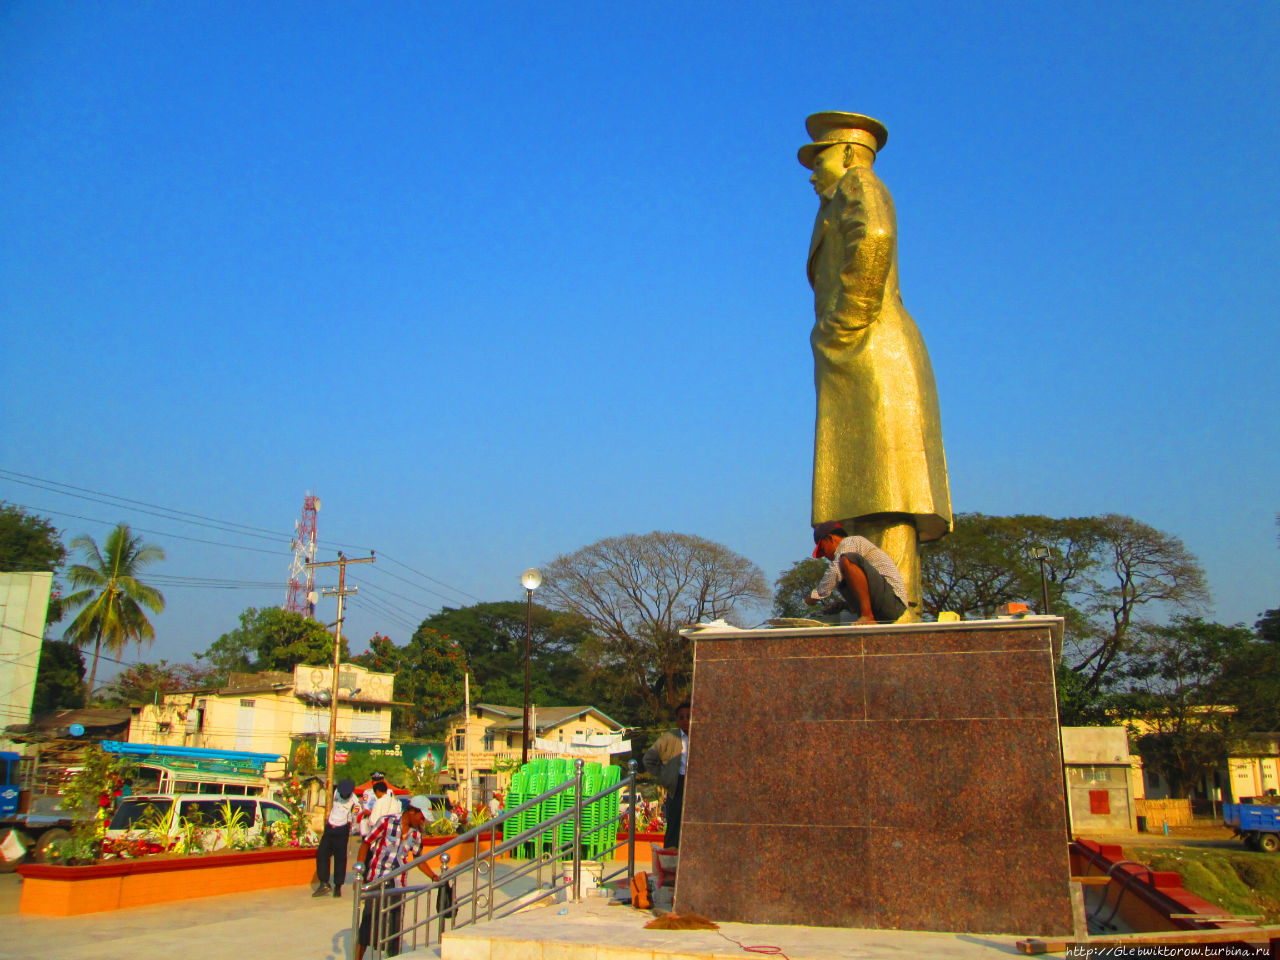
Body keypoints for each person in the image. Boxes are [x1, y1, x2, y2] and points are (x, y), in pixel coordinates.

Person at [799, 111, 952, 615]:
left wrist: (844, 321)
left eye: (818, 156)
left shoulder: (859, 183)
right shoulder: (832, 203)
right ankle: (876, 608)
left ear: (845, 152)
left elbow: (876, 237)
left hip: (872, 351)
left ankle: (898, 612)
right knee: (862, 497)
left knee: (887, 493)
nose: (812, 170)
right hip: (856, 358)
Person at [355, 795, 439, 960]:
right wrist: (360, 873)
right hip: (377, 880)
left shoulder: (417, 834)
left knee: (394, 929)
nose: (422, 822)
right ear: (412, 811)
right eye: (421, 818)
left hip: (397, 885)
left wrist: (434, 876)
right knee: (368, 925)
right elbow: (366, 844)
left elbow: (418, 858)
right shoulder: (386, 823)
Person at [805, 520, 907, 624]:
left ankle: (867, 615)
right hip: (882, 606)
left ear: (830, 538)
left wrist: (814, 596)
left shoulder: (849, 542)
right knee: (842, 581)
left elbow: (834, 572)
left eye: (823, 549)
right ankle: (866, 615)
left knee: (846, 559)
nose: (825, 555)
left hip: (893, 601)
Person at [642, 700, 691, 849]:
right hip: (677, 784)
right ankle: (670, 861)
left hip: (697, 785)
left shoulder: (703, 737)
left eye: (688, 716)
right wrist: (663, 776)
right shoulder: (670, 738)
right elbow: (648, 759)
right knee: (674, 825)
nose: (685, 720)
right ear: (677, 720)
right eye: (681, 717)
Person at [314, 777, 360, 898]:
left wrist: (352, 829)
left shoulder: (354, 802)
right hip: (330, 826)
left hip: (342, 829)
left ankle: (338, 886)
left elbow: (355, 819)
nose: (342, 796)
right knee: (321, 854)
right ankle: (324, 882)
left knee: (340, 859)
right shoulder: (336, 792)